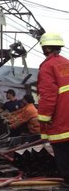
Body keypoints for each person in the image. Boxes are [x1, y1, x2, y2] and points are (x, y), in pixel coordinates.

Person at [37, 32, 69, 187]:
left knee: (63, 154)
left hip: (61, 122)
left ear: (46, 48)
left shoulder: (47, 67)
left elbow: (48, 96)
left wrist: (43, 119)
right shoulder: (66, 63)